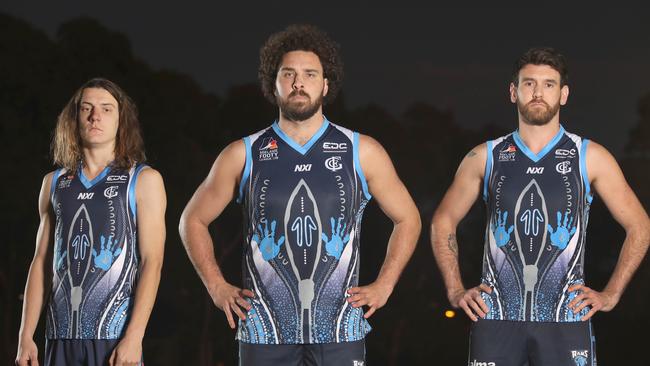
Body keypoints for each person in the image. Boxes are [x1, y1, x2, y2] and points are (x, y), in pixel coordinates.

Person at [179, 24, 421, 366]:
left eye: (310, 74)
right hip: (264, 330)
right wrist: (216, 286)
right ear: (273, 84)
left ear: (325, 84)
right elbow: (192, 220)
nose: (298, 82)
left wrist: (385, 284)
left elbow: (408, 218)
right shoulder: (242, 154)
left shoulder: (361, 151)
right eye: (288, 73)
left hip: (340, 329)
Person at [431, 47, 650, 365]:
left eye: (549, 84)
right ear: (513, 92)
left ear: (563, 94)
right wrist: (454, 290)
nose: (538, 92)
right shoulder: (485, 156)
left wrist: (611, 293)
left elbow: (640, 225)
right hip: (495, 319)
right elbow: (442, 221)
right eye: (529, 83)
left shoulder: (590, 157)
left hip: (566, 319)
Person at [15, 78, 166, 366]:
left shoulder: (144, 180)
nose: (95, 116)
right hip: (59, 336)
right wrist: (26, 336)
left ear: (121, 121)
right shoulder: (54, 183)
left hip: (114, 337)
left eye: (106, 109)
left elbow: (152, 262)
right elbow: (42, 261)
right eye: (87, 108)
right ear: (74, 119)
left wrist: (134, 336)